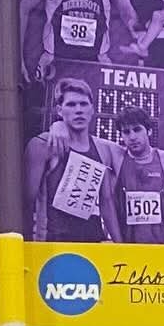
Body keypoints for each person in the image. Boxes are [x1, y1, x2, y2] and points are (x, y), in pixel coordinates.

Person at [25, 76, 122, 243]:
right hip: (54, 245)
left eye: (83, 104)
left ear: (92, 109)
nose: (78, 110)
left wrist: (121, 246)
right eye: (71, 104)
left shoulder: (103, 149)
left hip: (94, 244)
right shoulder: (42, 145)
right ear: (59, 110)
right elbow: (26, 201)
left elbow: (106, 203)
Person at [113, 105, 164, 242]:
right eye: (126, 132)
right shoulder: (116, 158)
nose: (132, 137)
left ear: (149, 131)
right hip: (127, 251)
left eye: (137, 130)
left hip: (163, 250)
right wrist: (60, 126)